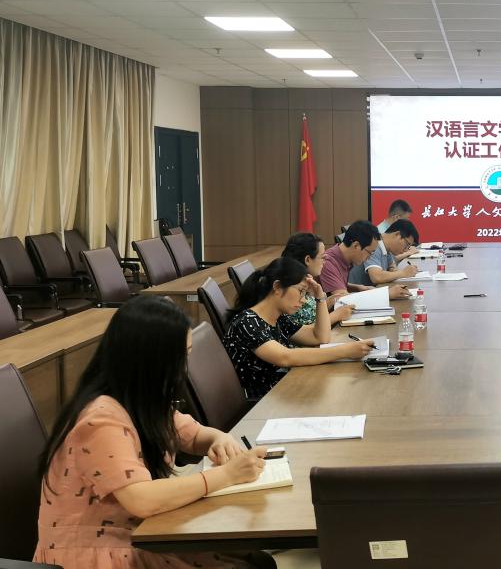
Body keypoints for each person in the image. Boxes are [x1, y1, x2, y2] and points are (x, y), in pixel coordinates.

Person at [35, 296, 270, 568]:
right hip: (96, 554)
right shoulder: (100, 419)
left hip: (137, 536)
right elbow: (142, 500)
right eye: (181, 357)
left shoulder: (140, 398)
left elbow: (192, 435)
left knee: (254, 559)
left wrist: (219, 438)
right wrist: (227, 475)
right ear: (150, 361)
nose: (184, 368)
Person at [222, 257, 374, 398]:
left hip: (284, 390)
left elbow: (320, 337)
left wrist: (320, 298)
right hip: (264, 403)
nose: (303, 300)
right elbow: (285, 357)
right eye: (301, 291)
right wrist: (345, 351)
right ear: (277, 287)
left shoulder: (278, 317)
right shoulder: (247, 322)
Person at [320, 220, 411, 300]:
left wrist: (358, 288)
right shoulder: (328, 262)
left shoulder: (343, 258)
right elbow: (342, 299)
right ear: (356, 245)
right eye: (370, 252)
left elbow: (336, 284)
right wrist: (386, 294)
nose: (369, 257)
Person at [281, 232, 354, 325]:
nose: (325, 261)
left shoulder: (307, 279)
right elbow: (302, 328)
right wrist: (336, 315)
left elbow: (311, 313)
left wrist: (327, 302)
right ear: (307, 260)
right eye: (323, 257)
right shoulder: (291, 285)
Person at [349, 219, 421, 287]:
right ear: (397, 235)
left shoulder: (387, 248)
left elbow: (392, 268)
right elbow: (376, 277)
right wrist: (403, 273)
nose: (406, 250)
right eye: (407, 244)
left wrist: (394, 271)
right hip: (356, 293)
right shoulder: (374, 244)